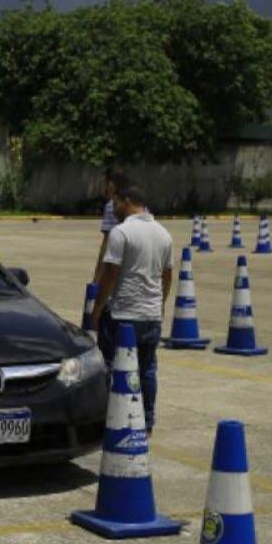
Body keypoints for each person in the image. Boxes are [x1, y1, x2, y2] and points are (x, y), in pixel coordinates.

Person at [90, 185, 173, 433]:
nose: (112, 207)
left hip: (123, 315)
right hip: (151, 316)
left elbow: (110, 275)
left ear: (126, 202)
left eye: (115, 202)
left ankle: (113, 417)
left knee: (112, 366)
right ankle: (146, 422)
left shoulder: (121, 232)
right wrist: (159, 305)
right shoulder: (164, 234)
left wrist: (96, 311)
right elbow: (168, 276)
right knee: (147, 370)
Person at [92, 169, 131, 284]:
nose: (105, 187)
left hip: (117, 262)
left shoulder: (111, 206)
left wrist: (97, 279)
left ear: (113, 185)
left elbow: (106, 244)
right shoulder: (138, 204)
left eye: (107, 183)